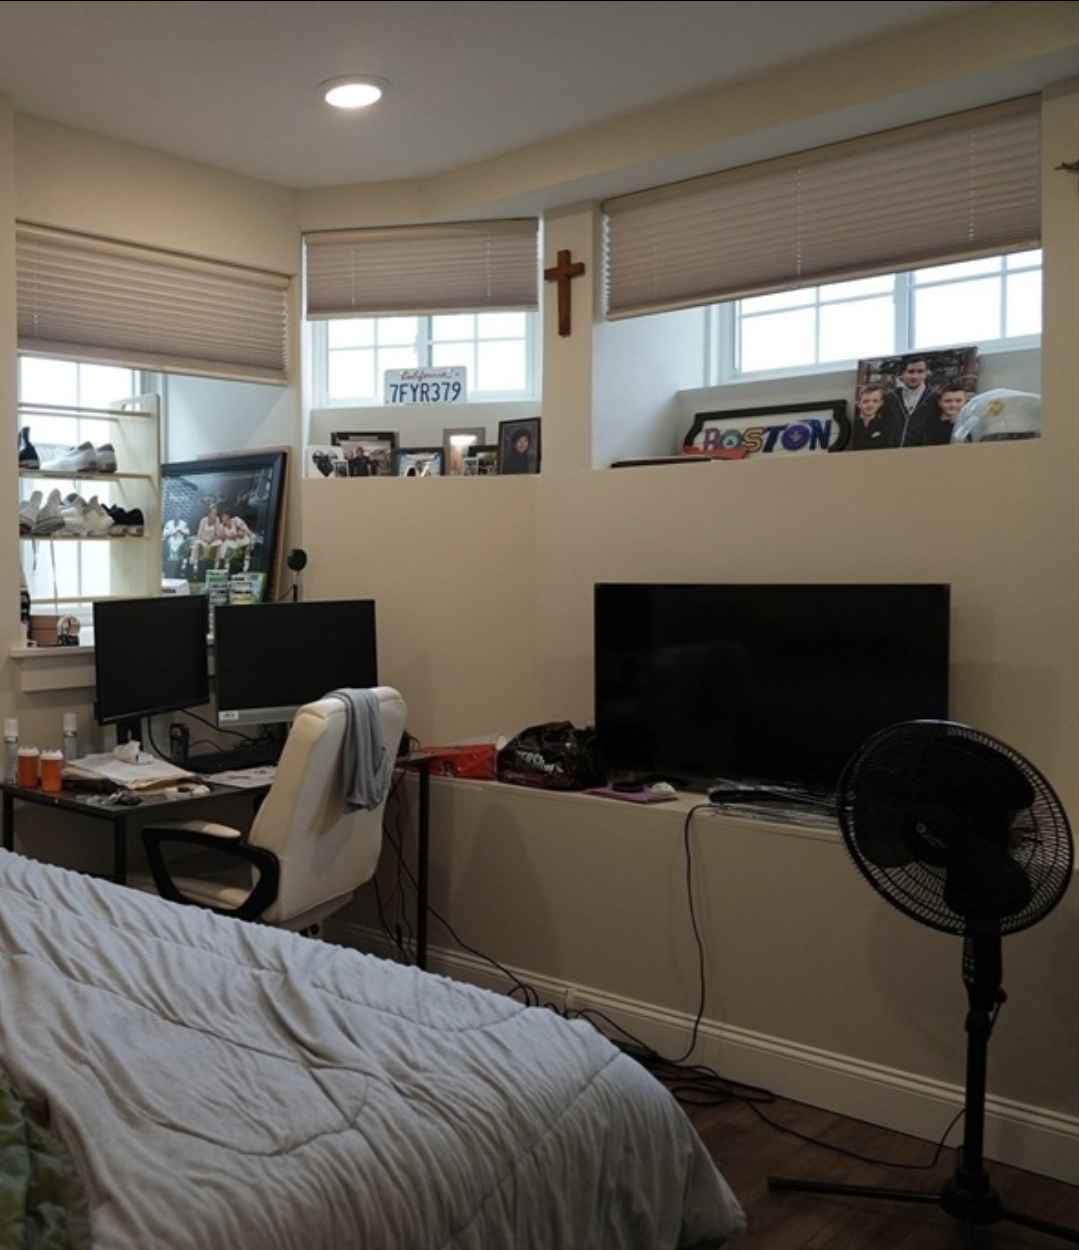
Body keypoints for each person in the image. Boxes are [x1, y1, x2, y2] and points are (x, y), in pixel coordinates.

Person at [884, 356, 941, 447]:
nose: (915, 376)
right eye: (911, 371)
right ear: (903, 373)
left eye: (920, 371)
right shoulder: (891, 397)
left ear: (926, 373)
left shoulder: (935, 398)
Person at [849, 385, 900, 451]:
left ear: (881, 403)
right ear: (858, 403)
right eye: (866, 401)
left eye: (875, 401)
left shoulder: (886, 426)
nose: (870, 405)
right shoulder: (851, 425)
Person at [187, 504, 220, 575]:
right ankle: (193, 563)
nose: (214, 515)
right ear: (209, 514)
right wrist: (205, 540)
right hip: (203, 539)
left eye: (215, 513)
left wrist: (212, 540)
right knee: (197, 543)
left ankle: (217, 564)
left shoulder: (217, 520)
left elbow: (217, 534)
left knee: (219, 543)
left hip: (212, 540)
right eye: (213, 513)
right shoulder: (203, 520)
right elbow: (199, 534)